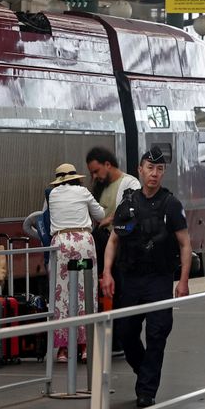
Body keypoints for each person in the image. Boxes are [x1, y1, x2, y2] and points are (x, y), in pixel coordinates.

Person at [101, 146, 192, 408]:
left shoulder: (171, 204)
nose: (154, 174)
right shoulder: (128, 202)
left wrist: (183, 281)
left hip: (159, 279)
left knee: (157, 333)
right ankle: (145, 372)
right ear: (140, 170)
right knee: (127, 333)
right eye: (150, 168)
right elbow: (114, 240)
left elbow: (185, 244)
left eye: (159, 169)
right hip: (130, 278)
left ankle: (147, 390)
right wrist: (107, 272)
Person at [44, 163, 105, 363]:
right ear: (76, 178)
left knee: (61, 294)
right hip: (83, 243)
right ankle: (86, 347)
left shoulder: (52, 195)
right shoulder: (83, 191)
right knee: (85, 291)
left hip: (61, 245)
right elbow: (101, 216)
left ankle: (63, 350)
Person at [85, 147, 140, 351]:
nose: (95, 176)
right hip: (104, 248)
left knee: (122, 294)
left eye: (96, 171)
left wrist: (110, 219)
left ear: (108, 164)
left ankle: (121, 339)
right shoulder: (100, 188)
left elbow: (132, 209)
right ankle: (110, 338)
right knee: (108, 293)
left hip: (122, 251)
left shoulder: (129, 182)